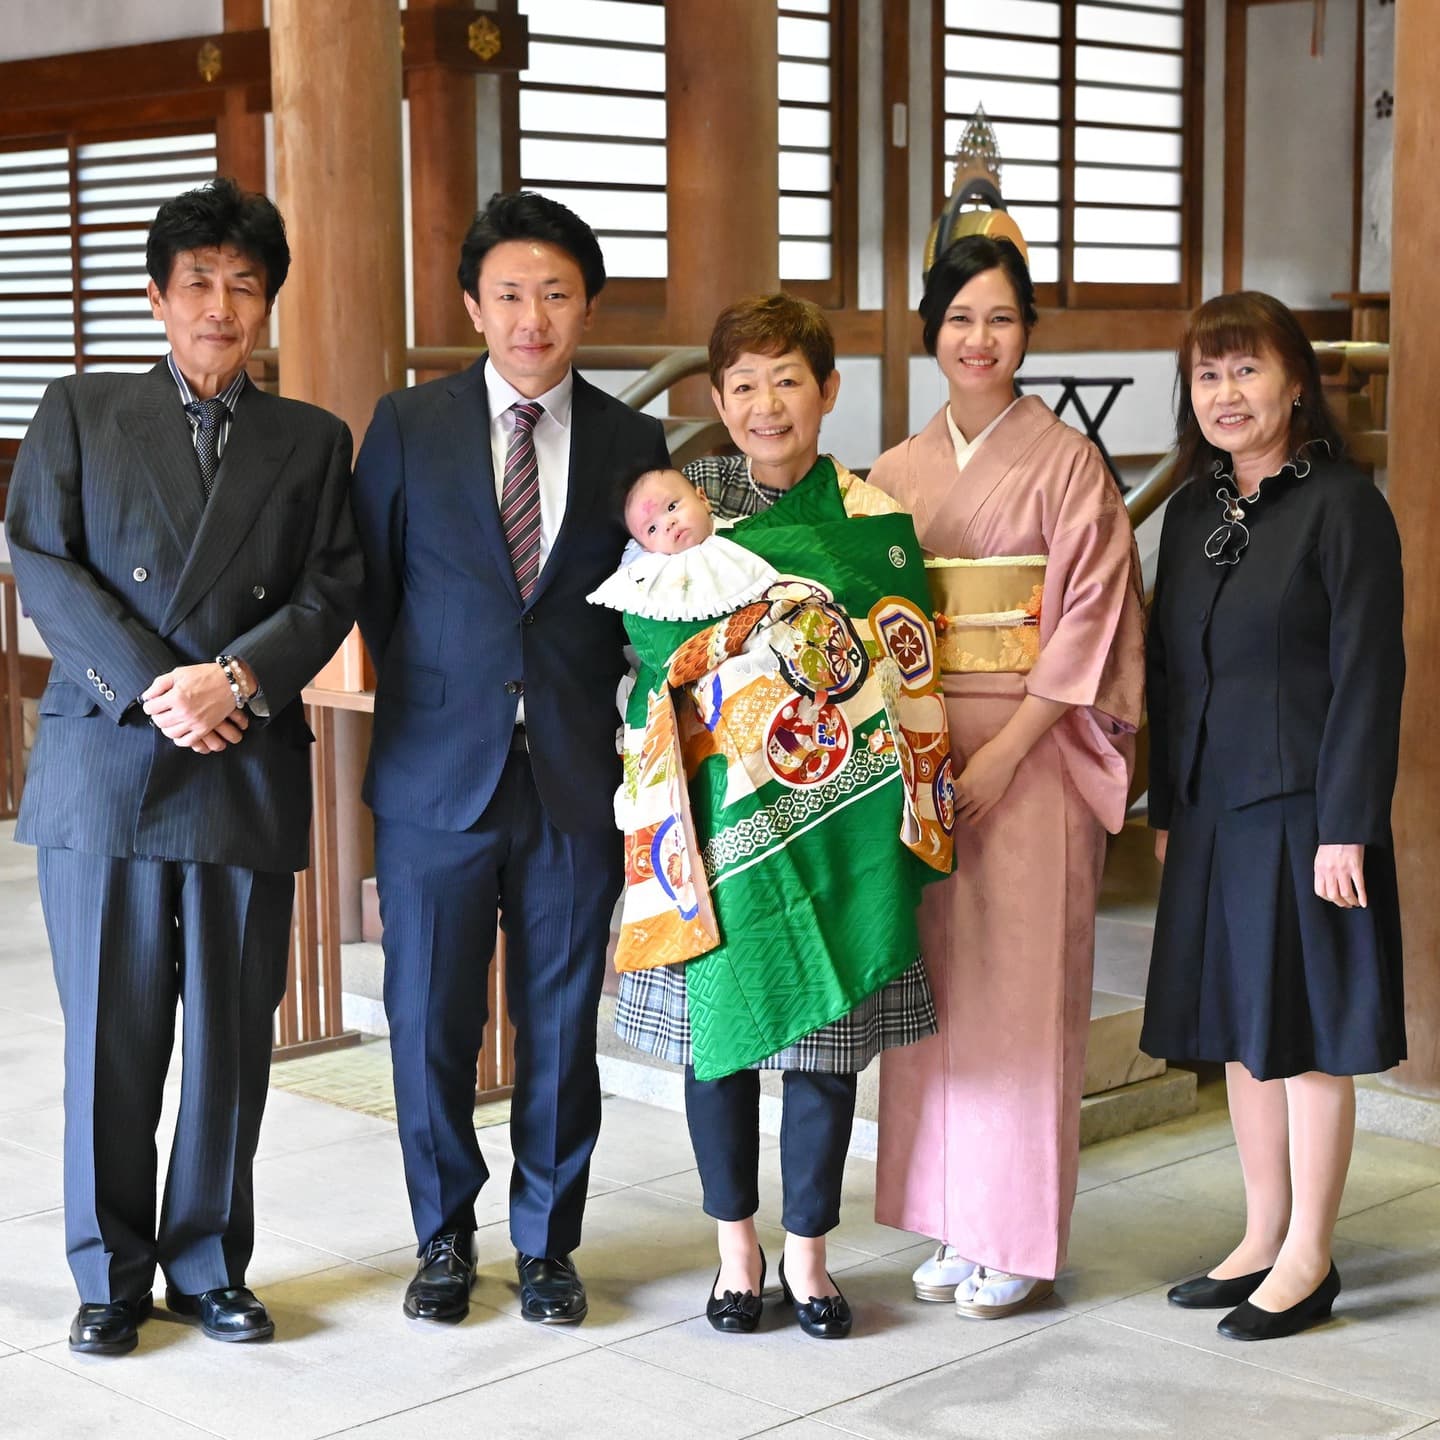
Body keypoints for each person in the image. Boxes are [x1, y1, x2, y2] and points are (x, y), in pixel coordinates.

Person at [5, 178, 363, 1354]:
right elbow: (41, 559)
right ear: (157, 298)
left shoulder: (311, 440)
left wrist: (237, 681)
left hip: (241, 759)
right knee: (110, 1039)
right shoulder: (81, 409)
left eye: (243, 285)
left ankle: (209, 1266)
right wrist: (163, 688)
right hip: (107, 761)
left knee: (227, 1040)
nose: (220, 304)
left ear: (267, 304)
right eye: (198, 281)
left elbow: (332, 585)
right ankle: (109, 1276)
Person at [351, 191, 669, 1327]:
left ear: (587, 307)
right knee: (427, 1021)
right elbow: (374, 588)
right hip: (435, 775)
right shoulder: (407, 424)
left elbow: (647, 599)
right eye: (511, 295)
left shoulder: (633, 441)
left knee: (561, 1023)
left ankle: (547, 1242)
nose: (534, 318)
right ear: (473, 307)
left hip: (574, 778)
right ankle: (443, 1238)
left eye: (556, 295)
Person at [614, 293, 943, 1340]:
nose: (767, 405)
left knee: (826, 1044)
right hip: (720, 815)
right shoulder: (685, 508)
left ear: (828, 391)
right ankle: (735, 1250)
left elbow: (905, 646)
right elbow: (647, 638)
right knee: (718, 1036)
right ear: (718, 400)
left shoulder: (871, 514)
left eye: (788, 381)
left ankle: (808, 1255)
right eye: (745, 385)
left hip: (840, 803)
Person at [868, 235, 1145, 1320]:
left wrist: (1006, 747)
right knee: (938, 985)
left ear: (1027, 332)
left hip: (1032, 750)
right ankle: (952, 1215)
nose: (978, 339)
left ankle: (1017, 1234)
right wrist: (917, 748)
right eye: (959, 318)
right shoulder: (895, 471)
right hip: (926, 754)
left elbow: (1092, 621)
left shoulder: (1070, 465)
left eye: (1000, 317)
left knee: (1024, 992)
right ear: (931, 333)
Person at [1141, 291, 1405, 1341]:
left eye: (1247, 370)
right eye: (1208, 375)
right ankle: (1260, 1234)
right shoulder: (1191, 512)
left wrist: (1348, 824)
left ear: (1296, 382)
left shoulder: (1345, 507)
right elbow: (1168, 671)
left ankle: (1310, 1255)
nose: (1227, 393)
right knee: (1244, 1036)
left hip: (1304, 812)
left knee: (1305, 1035)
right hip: (1213, 807)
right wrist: (1168, 802)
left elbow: (1368, 673)